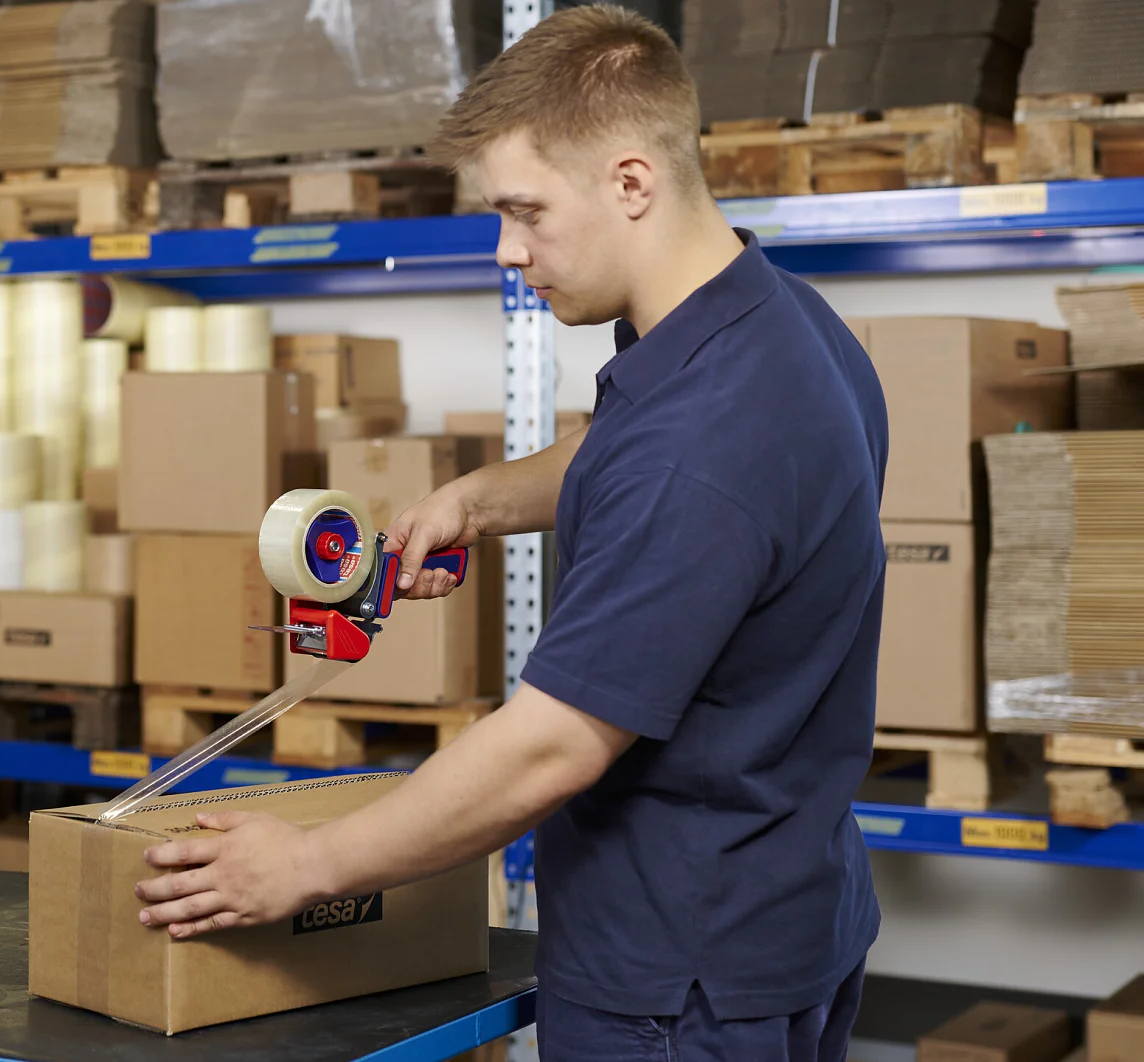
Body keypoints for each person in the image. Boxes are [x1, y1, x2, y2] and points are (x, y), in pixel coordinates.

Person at [130, 5, 889, 1060]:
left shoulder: (698, 449)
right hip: (788, 911)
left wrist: (304, 866)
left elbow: (549, 747)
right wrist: (478, 500)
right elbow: (623, 454)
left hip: (677, 981)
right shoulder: (781, 326)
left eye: (526, 212)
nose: (506, 249)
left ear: (631, 182)